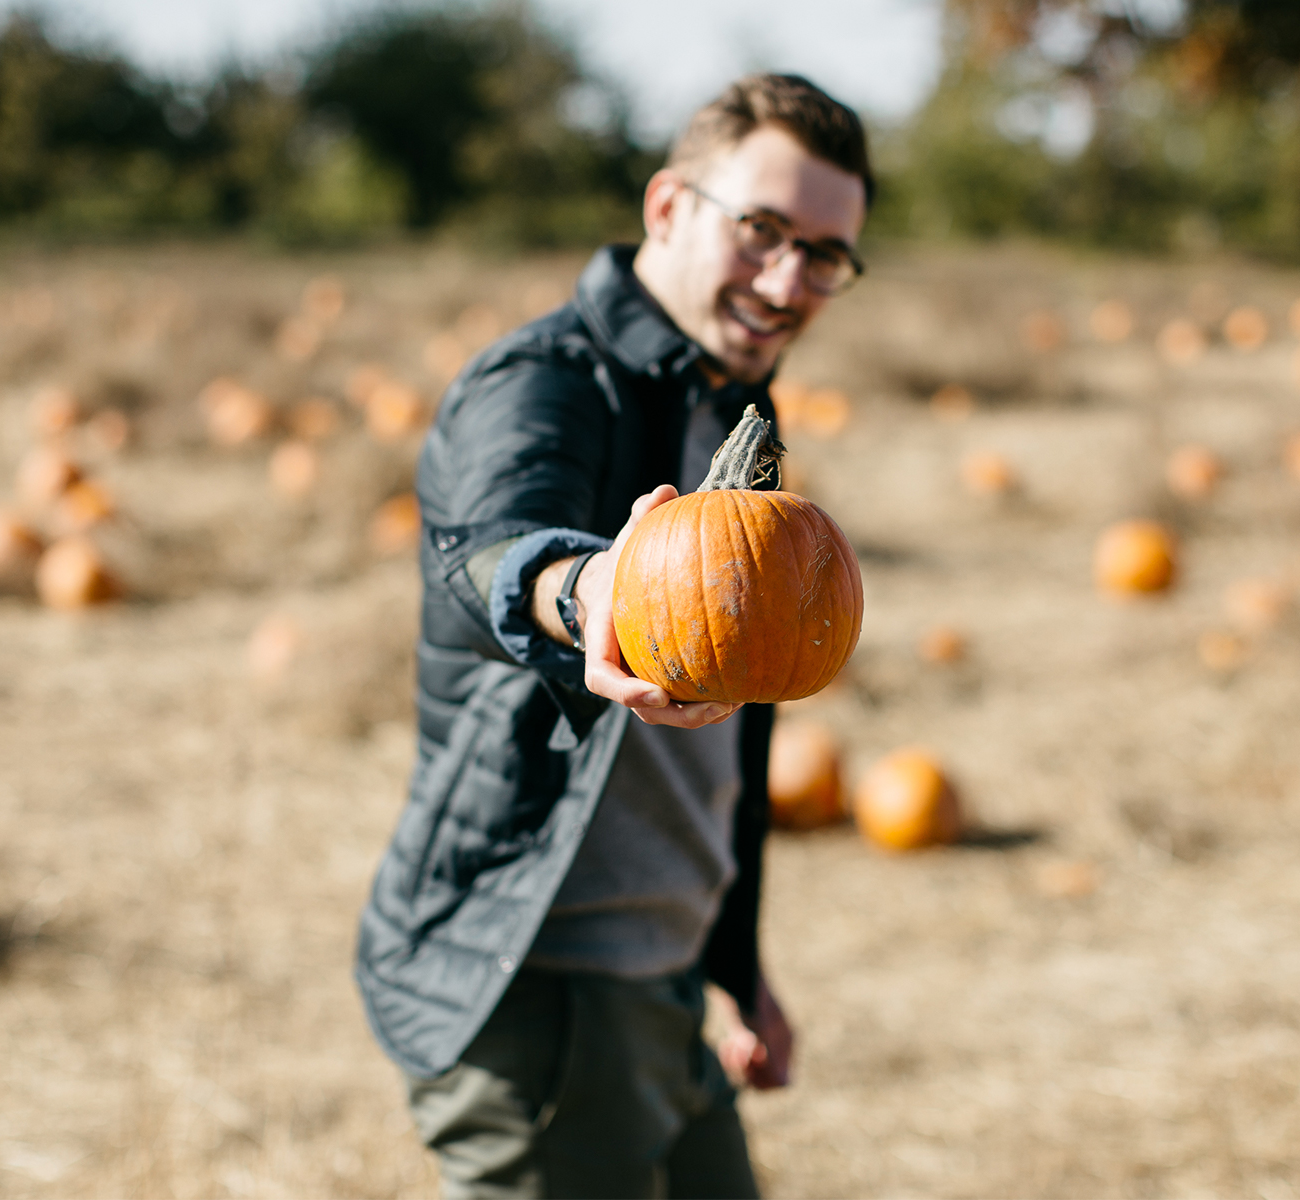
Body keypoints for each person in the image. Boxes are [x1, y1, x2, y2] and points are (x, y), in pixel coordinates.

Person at [355, 73, 872, 1198]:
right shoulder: (540, 384)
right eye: (762, 230)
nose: (787, 280)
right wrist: (589, 593)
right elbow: (490, 548)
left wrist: (735, 962)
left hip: (665, 977)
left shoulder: (737, 412)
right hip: (540, 988)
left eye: (822, 254)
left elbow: (727, 730)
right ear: (667, 208)